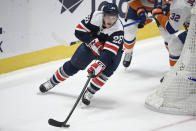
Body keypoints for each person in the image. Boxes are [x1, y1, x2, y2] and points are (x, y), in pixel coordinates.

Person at [39, 2, 124, 106]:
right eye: (108, 17)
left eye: (113, 17)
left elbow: (109, 53)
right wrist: (92, 41)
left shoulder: (118, 30)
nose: (111, 20)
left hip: (112, 52)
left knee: (104, 73)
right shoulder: (95, 16)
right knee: (73, 66)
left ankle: (90, 92)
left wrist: (99, 64)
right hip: (92, 46)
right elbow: (79, 31)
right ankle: (52, 81)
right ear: (103, 15)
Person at [123, 0, 171, 68]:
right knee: (129, 31)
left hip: (162, 5)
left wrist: (169, 6)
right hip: (138, 3)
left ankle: (175, 57)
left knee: (168, 34)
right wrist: (140, 10)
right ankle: (128, 52)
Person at [152, 0, 195, 66]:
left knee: (174, 44)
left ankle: (175, 74)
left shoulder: (179, 5)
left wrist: (158, 15)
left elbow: (171, 29)